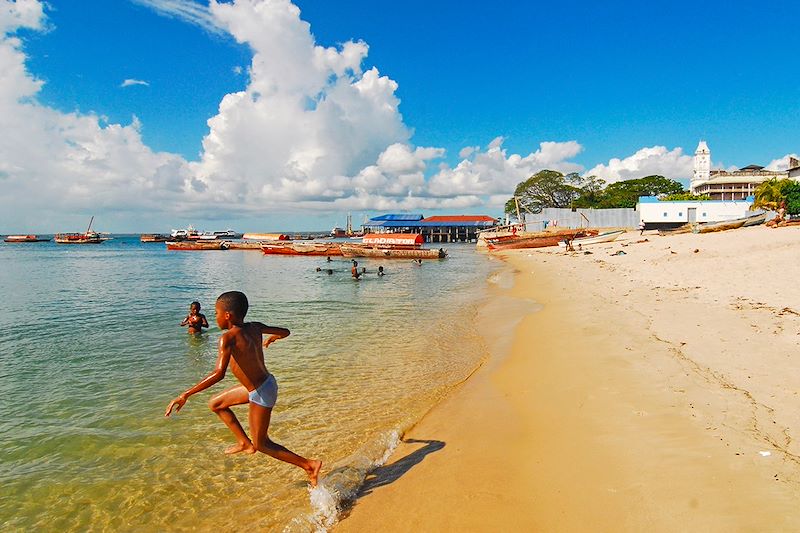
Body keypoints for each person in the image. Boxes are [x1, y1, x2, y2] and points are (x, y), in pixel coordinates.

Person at [165, 291, 322, 487]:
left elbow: (218, 373)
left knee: (262, 444)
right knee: (216, 404)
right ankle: (243, 443)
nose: (215, 317)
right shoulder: (255, 327)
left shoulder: (227, 338)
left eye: (216, 313)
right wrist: (273, 338)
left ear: (228, 315)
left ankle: (309, 465)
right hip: (264, 384)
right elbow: (286, 331)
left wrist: (185, 394)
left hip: (261, 392)